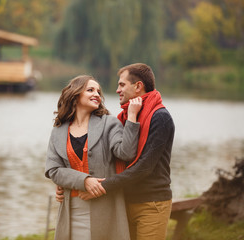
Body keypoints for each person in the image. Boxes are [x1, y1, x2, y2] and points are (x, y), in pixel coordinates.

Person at [57, 63, 175, 240]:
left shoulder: (161, 118)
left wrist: (101, 187)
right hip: (123, 201)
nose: (117, 90)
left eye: (122, 84)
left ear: (138, 86)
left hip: (151, 203)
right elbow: (102, 160)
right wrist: (69, 185)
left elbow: (144, 168)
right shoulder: (124, 118)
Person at [45, 75, 143, 240]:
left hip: (106, 210)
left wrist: (132, 118)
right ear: (75, 95)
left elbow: (126, 153)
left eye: (98, 91)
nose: (97, 94)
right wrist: (84, 180)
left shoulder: (109, 123)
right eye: (90, 90)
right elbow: (53, 170)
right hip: (71, 211)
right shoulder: (58, 131)